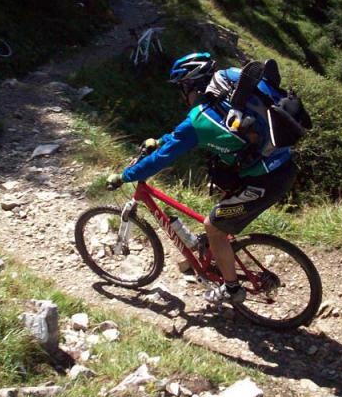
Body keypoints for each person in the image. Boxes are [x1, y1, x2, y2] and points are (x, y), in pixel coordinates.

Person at [107, 52, 297, 305]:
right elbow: (178, 136)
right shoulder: (229, 93)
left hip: (266, 181)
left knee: (213, 226)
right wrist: (160, 140)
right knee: (221, 202)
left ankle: (232, 289)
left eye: (181, 88)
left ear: (191, 85)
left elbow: (161, 159)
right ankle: (212, 252)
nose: (181, 95)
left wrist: (125, 176)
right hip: (280, 165)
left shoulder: (199, 119)